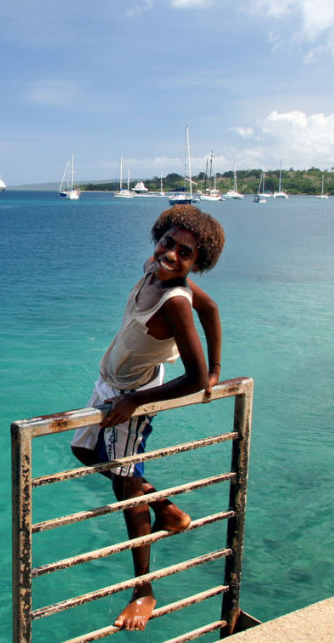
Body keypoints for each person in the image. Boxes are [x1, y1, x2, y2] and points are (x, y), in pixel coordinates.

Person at [70, 204, 225, 631]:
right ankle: (168, 510)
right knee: (84, 451)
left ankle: (144, 591)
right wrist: (215, 369)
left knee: (127, 489)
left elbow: (194, 379)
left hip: (132, 396)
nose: (171, 254)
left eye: (185, 253)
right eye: (167, 242)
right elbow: (210, 311)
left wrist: (209, 374)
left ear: (198, 263)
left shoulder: (177, 301)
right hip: (113, 388)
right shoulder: (154, 271)